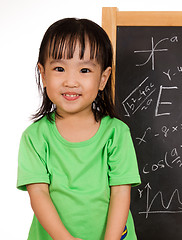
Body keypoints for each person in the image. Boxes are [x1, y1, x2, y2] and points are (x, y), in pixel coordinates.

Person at [17, 18, 141, 240]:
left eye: (84, 70)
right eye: (59, 68)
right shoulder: (35, 137)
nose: (71, 81)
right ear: (43, 74)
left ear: (103, 78)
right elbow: (39, 194)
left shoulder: (116, 133)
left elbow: (121, 192)